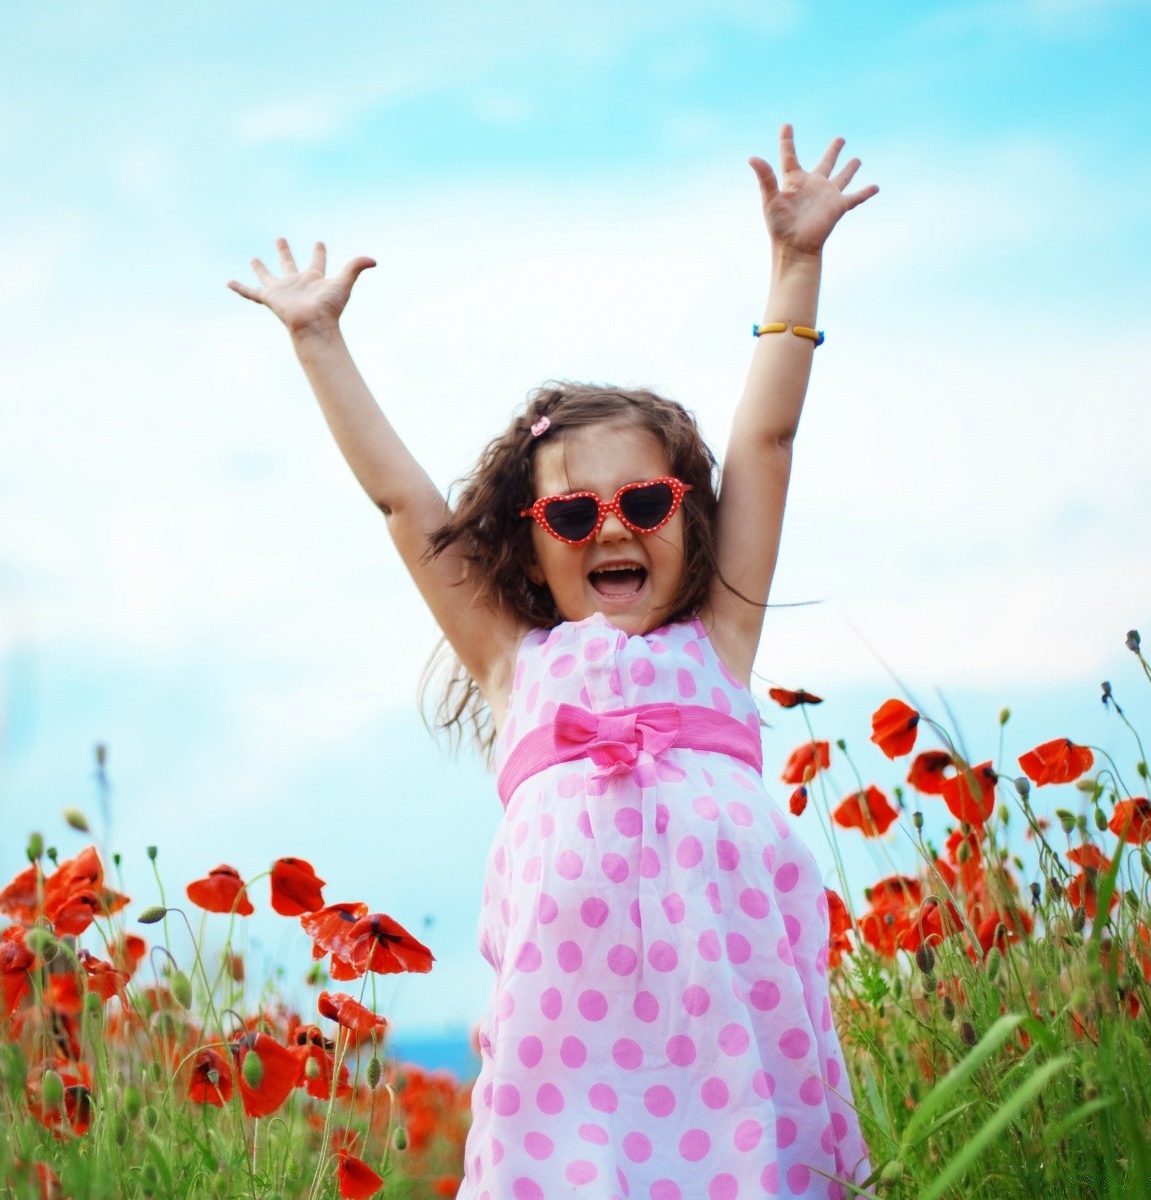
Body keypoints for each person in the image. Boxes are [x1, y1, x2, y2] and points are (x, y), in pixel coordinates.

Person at [230, 124, 876, 1200]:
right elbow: (404, 502)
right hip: (569, 1098)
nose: (612, 529)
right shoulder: (514, 665)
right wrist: (318, 340)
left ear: (688, 515)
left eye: (646, 503)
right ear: (530, 539)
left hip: (736, 1077)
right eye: (574, 510)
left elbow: (765, 442)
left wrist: (796, 265)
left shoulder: (720, 641)